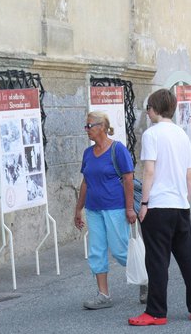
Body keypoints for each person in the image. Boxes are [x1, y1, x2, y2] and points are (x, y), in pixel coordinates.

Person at [128, 89, 191, 326]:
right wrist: (184, 198)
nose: (148, 113)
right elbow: (189, 173)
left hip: (159, 205)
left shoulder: (152, 134)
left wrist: (144, 203)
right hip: (180, 204)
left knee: (157, 261)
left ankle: (156, 311)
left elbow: (149, 170)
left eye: (148, 109)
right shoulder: (181, 134)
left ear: (153, 109)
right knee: (187, 259)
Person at [74, 111, 138, 310]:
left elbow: (128, 179)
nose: (87, 130)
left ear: (102, 126)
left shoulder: (118, 149)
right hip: (94, 209)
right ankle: (103, 294)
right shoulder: (88, 153)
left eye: (89, 126)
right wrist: (78, 209)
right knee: (96, 251)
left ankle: (146, 280)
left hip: (115, 207)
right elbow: (85, 182)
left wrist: (129, 208)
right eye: (86, 126)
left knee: (120, 251)